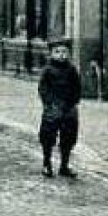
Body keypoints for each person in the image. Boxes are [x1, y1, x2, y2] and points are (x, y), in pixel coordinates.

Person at [37, 40, 82, 178]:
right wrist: (49, 103)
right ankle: (47, 164)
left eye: (64, 52)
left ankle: (64, 165)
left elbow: (77, 87)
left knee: (68, 137)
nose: (61, 55)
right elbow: (43, 89)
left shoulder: (72, 69)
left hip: (69, 108)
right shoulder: (47, 70)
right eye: (57, 52)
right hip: (53, 108)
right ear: (51, 54)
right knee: (48, 136)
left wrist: (74, 101)